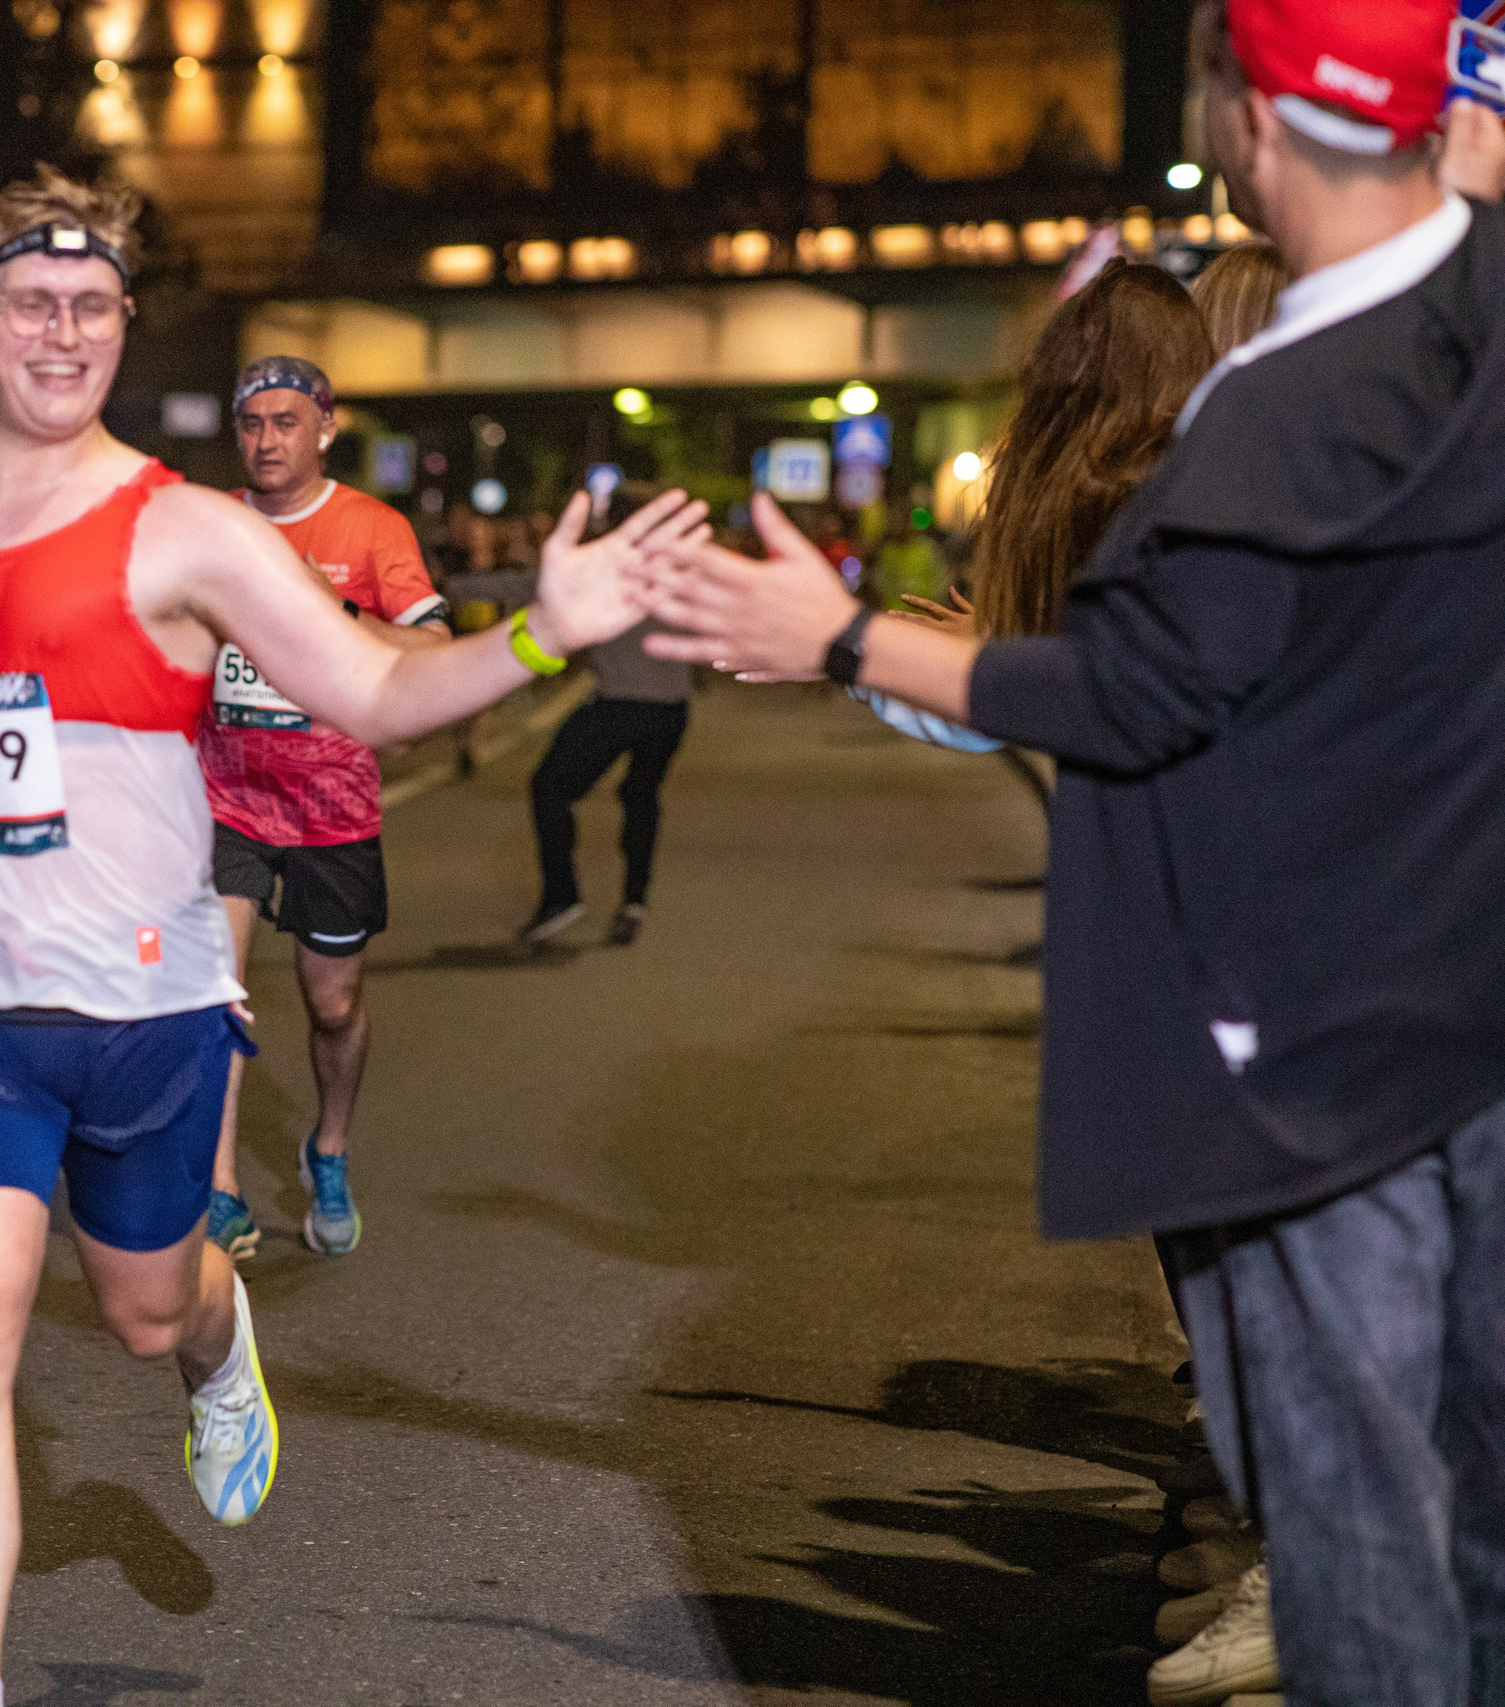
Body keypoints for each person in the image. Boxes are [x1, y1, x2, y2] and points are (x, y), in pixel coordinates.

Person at [0, 165, 707, 1707]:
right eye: (35, 303)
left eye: (96, 307)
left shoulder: (186, 533)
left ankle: (215, 1335)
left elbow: (377, 691)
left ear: (125, 323)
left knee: (141, 1305)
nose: (65, 333)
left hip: (142, 1004)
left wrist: (540, 632)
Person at [640, 5, 1504, 1700]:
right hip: (1456, 1018)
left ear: (1246, 121)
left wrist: (837, 638)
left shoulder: (1285, 407)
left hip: (1314, 1058)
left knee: (1362, 1545)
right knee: (1463, 1517)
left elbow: (1138, 687)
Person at [196, 355, 448, 1261]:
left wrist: (326, 606)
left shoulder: (370, 529)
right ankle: (219, 1187)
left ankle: (328, 1146)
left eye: (286, 422)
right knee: (215, 993)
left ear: (325, 429)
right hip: (222, 792)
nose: (266, 439)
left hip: (333, 804)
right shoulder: (213, 523)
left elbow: (431, 646)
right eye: (252, 422)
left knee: (332, 1003)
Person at [517, 609, 691, 949]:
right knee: (640, 794)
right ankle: (634, 901)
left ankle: (561, 895)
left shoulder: (608, 566)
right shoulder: (683, 572)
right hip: (671, 708)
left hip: (618, 703)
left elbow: (545, 600)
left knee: (549, 788)